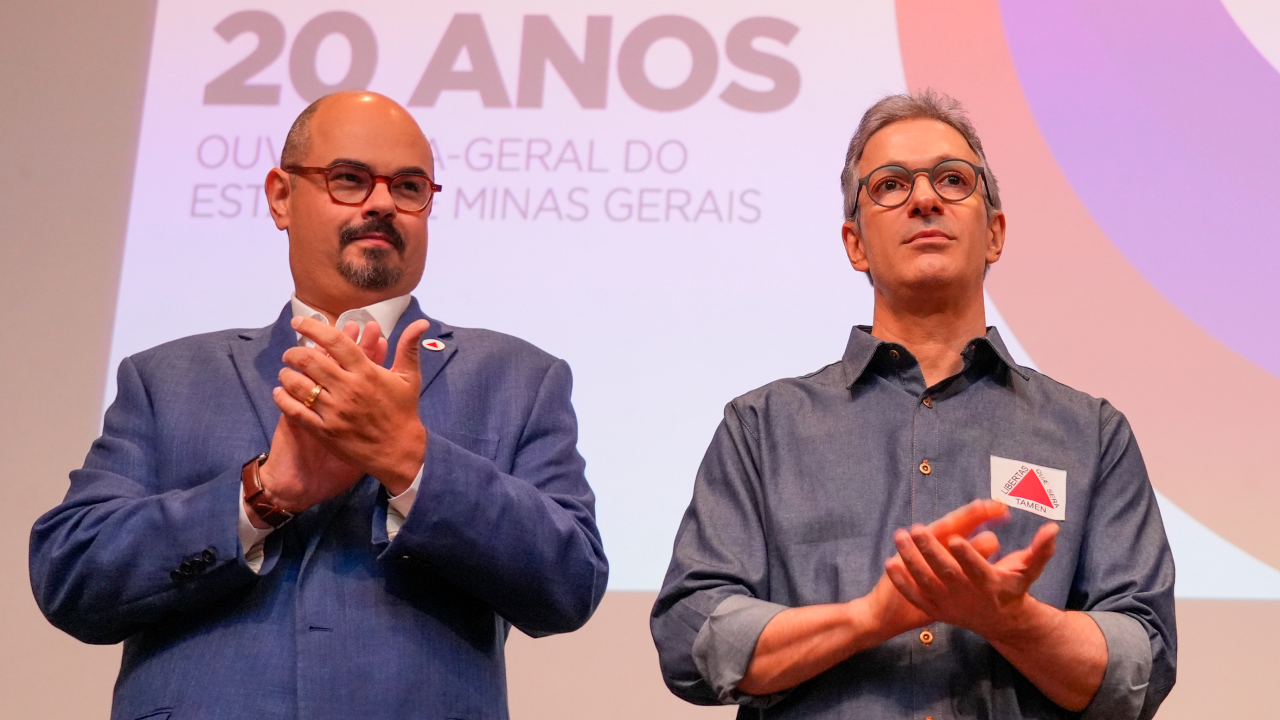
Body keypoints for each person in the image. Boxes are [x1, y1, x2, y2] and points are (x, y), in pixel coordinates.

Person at [30, 91, 608, 720]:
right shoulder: (166, 379)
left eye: (409, 187)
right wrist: (263, 493)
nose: (382, 203)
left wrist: (412, 462)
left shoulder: (517, 378)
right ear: (281, 197)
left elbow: (570, 584)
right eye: (349, 179)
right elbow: (71, 574)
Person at [650, 90, 1175, 719]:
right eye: (891, 185)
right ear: (855, 245)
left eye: (952, 180)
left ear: (995, 233)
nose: (925, 199)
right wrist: (869, 618)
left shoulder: (1091, 434)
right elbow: (690, 635)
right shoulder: (763, 428)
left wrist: (1012, 621)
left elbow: (1142, 665)